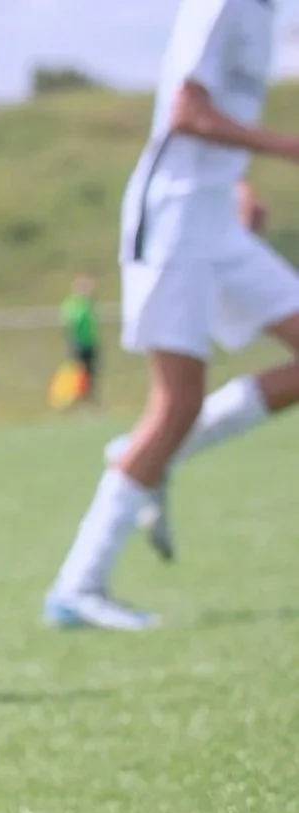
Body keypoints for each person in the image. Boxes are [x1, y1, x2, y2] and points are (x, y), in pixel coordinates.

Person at [44, 0, 299, 630]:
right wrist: (287, 147)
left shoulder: (264, 12)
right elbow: (186, 113)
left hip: (216, 221)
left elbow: (217, 116)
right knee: (177, 404)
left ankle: (147, 457)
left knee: (172, 421)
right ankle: (78, 586)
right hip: (174, 224)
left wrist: (238, 184)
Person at [60, 272, 100, 407]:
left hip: (89, 343)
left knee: (91, 372)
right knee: (77, 373)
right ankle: (73, 398)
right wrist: (71, 344)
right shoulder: (72, 304)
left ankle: (88, 399)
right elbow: (69, 324)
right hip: (78, 344)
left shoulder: (87, 304)